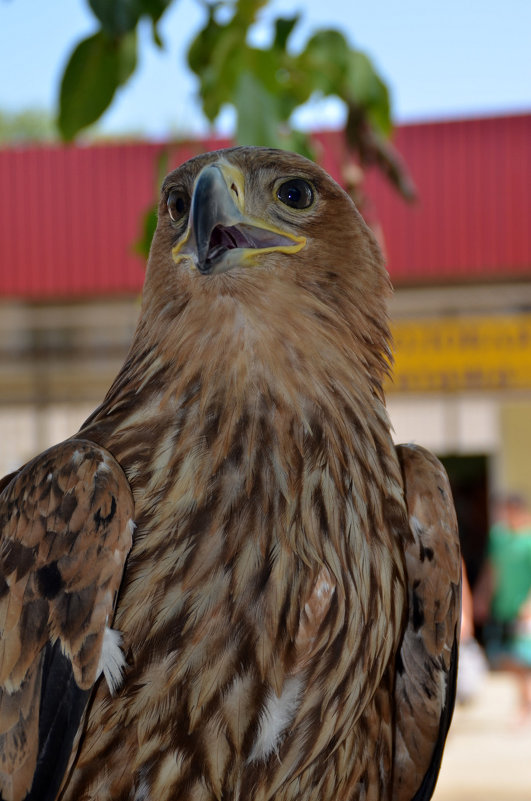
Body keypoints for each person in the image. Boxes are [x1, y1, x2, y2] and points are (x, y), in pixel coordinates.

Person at [475, 493, 531, 722]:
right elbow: (491, 570)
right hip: (503, 608)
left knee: (523, 657)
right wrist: (481, 596)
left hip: (524, 611)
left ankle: (525, 706)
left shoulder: (528, 540)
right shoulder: (497, 538)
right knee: (503, 656)